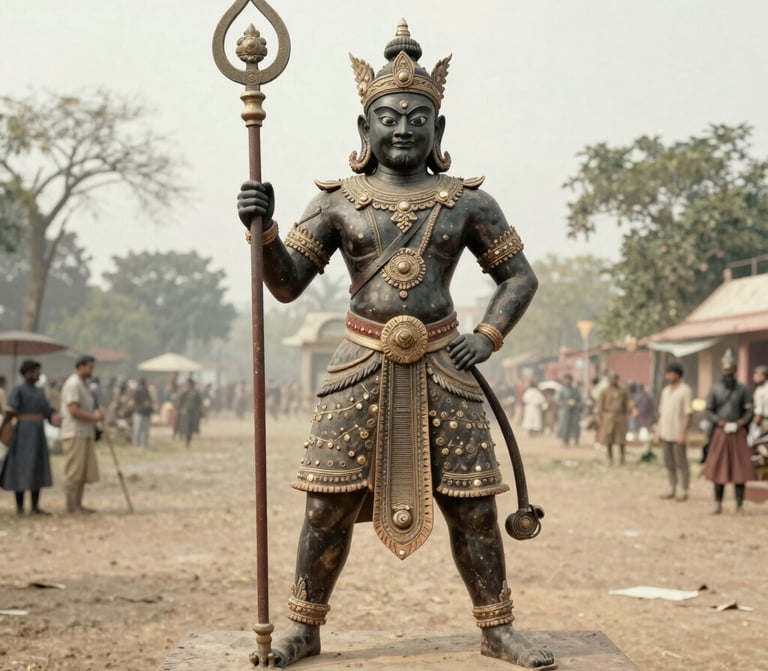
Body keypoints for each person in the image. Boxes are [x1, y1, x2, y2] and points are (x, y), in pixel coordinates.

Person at [235, 21, 553, 669]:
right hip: (359, 363)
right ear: (363, 130)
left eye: (417, 118)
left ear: (439, 131)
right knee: (325, 501)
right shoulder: (335, 203)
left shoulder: (467, 201)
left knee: (473, 503)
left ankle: (498, 627)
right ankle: (303, 626)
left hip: (444, 362)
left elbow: (519, 277)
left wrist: (487, 337)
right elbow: (288, 285)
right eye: (388, 118)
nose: (403, 129)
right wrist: (262, 232)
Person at [0, 361, 59, 515]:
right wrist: (4, 429)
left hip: (38, 433)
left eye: (38, 372)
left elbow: (47, 411)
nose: (37, 375)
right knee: (20, 468)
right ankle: (19, 507)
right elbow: (11, 411)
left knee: (37, 467)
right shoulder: (17, 391)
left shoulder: (41, 392)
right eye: (34, 372)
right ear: (26, 373)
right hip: (22, 434)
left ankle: (34, 506)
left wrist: (54, 416)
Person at [702, 350, 754, 514]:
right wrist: (720, 422)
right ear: (721, 371)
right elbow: (709, 410)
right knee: (719, 469)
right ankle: (718, 504)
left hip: (738, 433)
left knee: (740, 470)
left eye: (730, 370)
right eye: (725, 370)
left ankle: (739, 505)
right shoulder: (715, 389)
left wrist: (741, 422)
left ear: (735, 370)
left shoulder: (743, 389)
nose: (728, 373)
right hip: (721, 433)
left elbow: (750, 411)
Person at [60, 355, 102, 514]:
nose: (92, 371)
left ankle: (78, 504)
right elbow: (74, 410)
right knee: (74, 471)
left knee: (83, 471)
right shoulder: (73, 384)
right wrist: (94, 418)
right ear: (81, 367)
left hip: (86, 432)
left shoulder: (85, 386)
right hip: (74, 432)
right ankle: (71, 506)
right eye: (90, 367)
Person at [655, 362, 693, 501]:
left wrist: (683, 433)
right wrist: (658, 431)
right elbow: (662, 412)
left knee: (681, 462)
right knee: (668, 462)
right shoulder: (665, 391)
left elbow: (688, 413)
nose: (668, 376)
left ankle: (684, 490)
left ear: (678, 374)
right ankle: (672, 488)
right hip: (666, 432)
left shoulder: (685, 390)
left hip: (678, 432)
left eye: (670, 373)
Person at [597, 371, 630, 464]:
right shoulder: (604, 391)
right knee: (608, 437)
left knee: (621, 438)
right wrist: (599, 417)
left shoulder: (623, 391)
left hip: (620, 416)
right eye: (612, 378)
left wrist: (627, 413)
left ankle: (622, 458)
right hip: (608, 416)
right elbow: (600, 405)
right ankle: (610, 457)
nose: (614, 380)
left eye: (615, 378)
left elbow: (626, 403)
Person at [556, 373, 582, 446]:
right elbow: (558, 400)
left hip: (574, 411)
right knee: (564, 426)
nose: (567, 381)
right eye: (566, 379)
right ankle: (565, 440)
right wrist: (566, 404)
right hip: (565, 411)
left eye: (569, 379)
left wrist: (575, 404)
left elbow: (580, 401)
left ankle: (576, 440)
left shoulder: (575, 390)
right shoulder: (561, 390)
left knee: (575, 426)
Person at [176, 379, 203, 448]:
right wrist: (180, 409)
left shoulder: (196, 394)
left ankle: (188, 441)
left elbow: (199, 403)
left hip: (193, 413)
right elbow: (180, 402)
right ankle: (182, 435)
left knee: (191, 428)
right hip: (185, 412)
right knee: (184, 426)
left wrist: (200, 411)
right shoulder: (185, 393)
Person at [131, 378, 154, 447]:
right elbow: (133, 402)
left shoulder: (147, 393)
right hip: (138, 413)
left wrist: (148, 405)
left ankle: (142, 444)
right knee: (137, 429)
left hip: (146, 413)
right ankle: (135, 444)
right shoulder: (137, 393)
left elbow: (150, 402)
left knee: (145, 430)